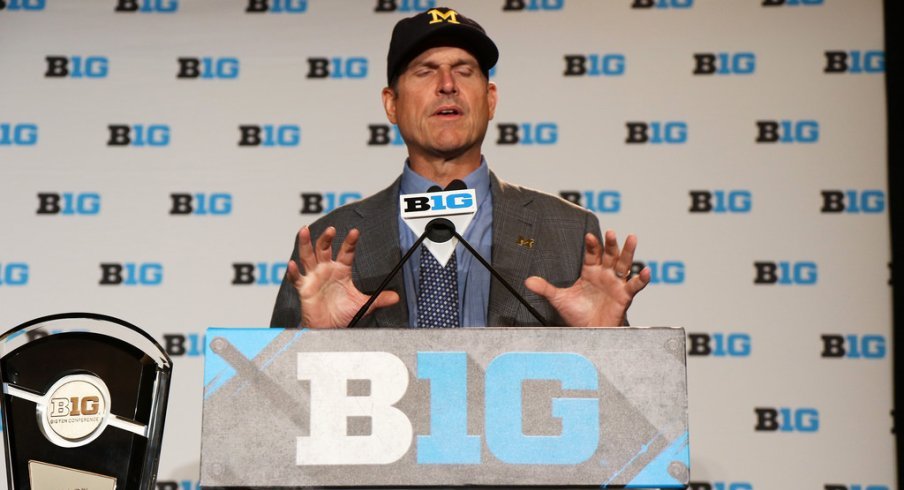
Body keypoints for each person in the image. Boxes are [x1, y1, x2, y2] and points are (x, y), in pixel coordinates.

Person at [270, 7, 650, 329]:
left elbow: (617, 402)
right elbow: (271, 403)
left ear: (490, 99)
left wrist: (605, 339)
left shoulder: (567, 231)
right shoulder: (328, 242)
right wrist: (312, 340)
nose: (447, 84)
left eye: (464, 70)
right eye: (425, 70)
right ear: (391, 104)